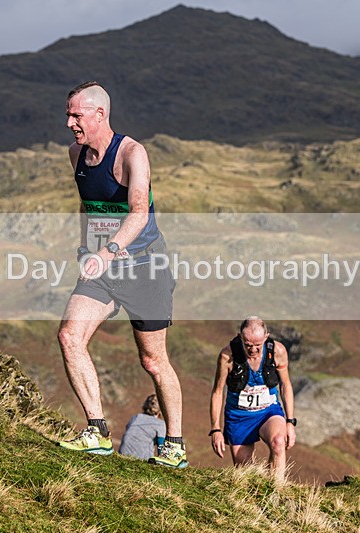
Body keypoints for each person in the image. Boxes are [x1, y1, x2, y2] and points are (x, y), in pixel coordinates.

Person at [57, 81, 186, 468]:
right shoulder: (75, 153)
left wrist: (109, 251)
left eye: (76, 115)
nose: (69, 123)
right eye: (68, 114)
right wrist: (87, 249)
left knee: (153, 360)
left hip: (145, 266)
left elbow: (138, 212)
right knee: (69, 335)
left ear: (100, 114)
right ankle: (97, 431)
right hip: (102, 267)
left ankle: (175, 446)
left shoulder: (132, 154)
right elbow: (88, 207)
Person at [209, 317, 296, 482]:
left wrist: (290, 422)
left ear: (266, 337)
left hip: (268, 411)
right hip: (239, 416)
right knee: (246, 475)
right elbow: (218, 392)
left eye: (258, 345)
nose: (253, 350)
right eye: (248, 345)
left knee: (278, 442)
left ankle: (276, 491)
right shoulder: (228, 355)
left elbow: (286, 385)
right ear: (240, 337)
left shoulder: (277, 351)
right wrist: (215, 429)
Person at [119, 394, 167, 460]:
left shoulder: (136, 417)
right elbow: (161, 447)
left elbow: (128, 431)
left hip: (122, 453)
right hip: (141, 458)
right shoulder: (160, 424)